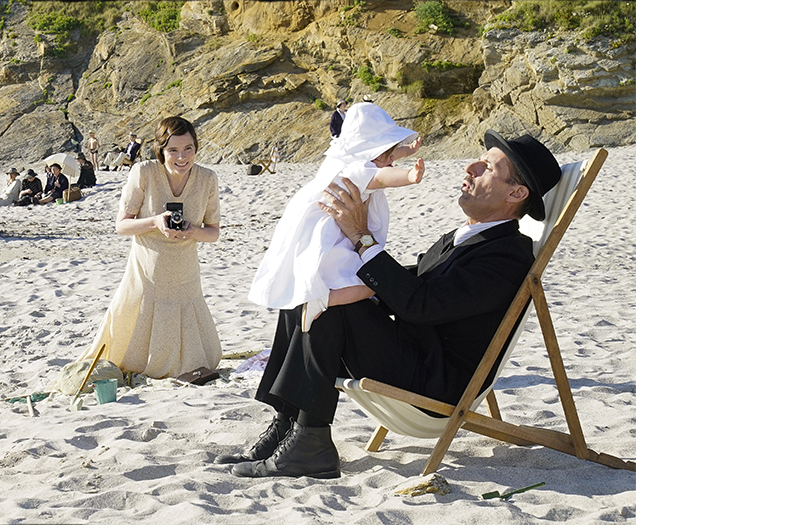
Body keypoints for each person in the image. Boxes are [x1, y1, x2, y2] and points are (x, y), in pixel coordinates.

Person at [218, 129, 563, 480]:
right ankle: (287, 425)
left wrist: (361, 237)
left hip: (434, 382)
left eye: (488, 167)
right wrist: (334, 280)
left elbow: (421, 305)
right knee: (308, 291)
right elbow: (414, 286)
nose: (470, 167)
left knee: (332, 308)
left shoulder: (507, 256)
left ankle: (311, 442)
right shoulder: (465, 239)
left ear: (516, 193)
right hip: (415, 357)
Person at [249, 102, 424, 332]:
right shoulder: (360, 170)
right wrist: (410, 175)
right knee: (371, 283)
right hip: (335, 236)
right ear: (372, 151)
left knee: (358, 279)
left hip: (325, 229)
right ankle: (322, 301)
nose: (393, 156)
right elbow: (383, 176)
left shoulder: (344, 157)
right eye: (388, 151)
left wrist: (409, 150)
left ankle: (328, 299)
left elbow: (385, 158)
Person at [77, 116, 222, 379]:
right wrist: (155, 221)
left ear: (196, 148)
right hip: (145, 275)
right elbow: (121, 226)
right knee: (131, 356)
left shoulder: (207, 179)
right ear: (161, 150)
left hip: (185, 275)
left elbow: (213, 233)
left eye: (188, 148)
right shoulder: (144, 172)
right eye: (173, 150)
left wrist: (193, 231)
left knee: (205, 359)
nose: (182, 157)